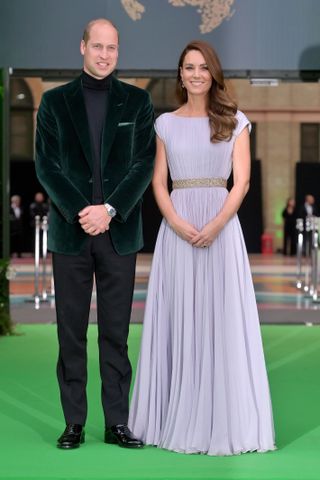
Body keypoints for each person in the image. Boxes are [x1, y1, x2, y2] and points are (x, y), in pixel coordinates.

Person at [129, 40, 275, 456]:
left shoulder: (235, 120)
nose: (195, 74)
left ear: (214, 73)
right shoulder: (165, 124)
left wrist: (214, 225)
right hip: (176, 233)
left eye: (202, 67)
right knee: (179, 318)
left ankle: (223, 419)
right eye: (188, 67)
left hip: (221, 229)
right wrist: (175, 221)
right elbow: (158, 181)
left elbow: (242, 182)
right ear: (180, 74)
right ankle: (175, 413)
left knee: (220, 319)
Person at [35, 18, 155, 450]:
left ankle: (117, 422)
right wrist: (81, 211)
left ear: (118, 52)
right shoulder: (53, 103)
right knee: (70, 331)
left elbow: (144, 164)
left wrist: (109, 209)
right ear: (82, 46)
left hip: (118, 233)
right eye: (97, 46)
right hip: (71, 234)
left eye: (112, 48)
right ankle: (74, 422)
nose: (104, 55)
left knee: (116, 332)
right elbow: (46, 166)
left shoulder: (138, 103)